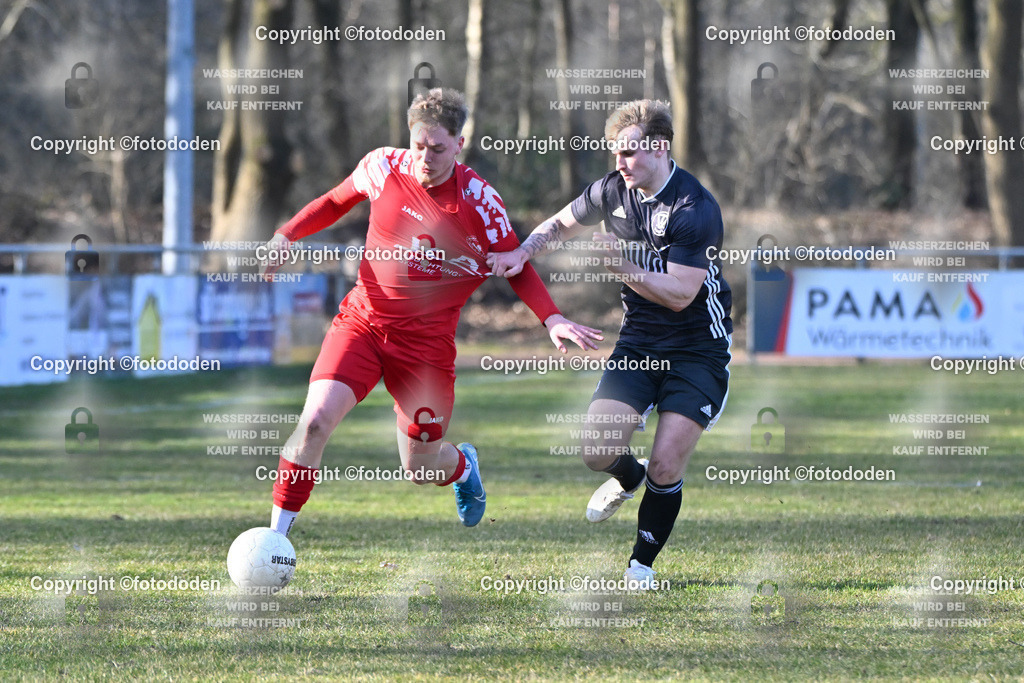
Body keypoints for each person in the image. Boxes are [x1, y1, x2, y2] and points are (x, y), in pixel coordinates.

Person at [260, 88, 603, 536]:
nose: (425, 157)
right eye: (418, 145)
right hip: (362, 325)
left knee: (420, 468)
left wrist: (551, 318)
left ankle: (463, 466)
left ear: (460, 143)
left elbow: (515, 265)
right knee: (314, 424)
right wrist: (287, 234)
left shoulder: (481, 202)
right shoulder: (384, 165)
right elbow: (336, 200)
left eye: (438, 148)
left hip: (425, 351)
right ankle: (275, 540)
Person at [488, 99, 731, 586]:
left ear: (660, 148)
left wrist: (623, 267)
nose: (619, 162)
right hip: (639, 344)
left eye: (629, 152)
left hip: (696, 351)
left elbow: (681, 295)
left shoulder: (695, 208)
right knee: (596, 451)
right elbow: (560, 224)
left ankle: (640, 566)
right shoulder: (611, 190)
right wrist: (523, 251)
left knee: (666, 463)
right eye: (615, 152)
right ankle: (628, 475)